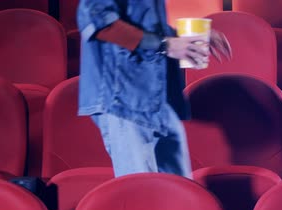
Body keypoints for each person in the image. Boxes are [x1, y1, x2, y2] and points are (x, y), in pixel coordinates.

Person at [77, 1, 231, 178]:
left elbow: (145, 27)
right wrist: (167, 44)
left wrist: (182, 38)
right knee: (141, 191)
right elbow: (97, 20)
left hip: (156, 98)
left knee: (181, 190)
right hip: (123, 99)